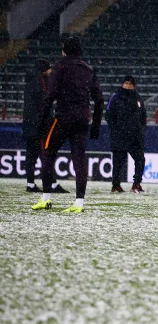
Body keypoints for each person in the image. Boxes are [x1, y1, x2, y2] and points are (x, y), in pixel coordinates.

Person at [32, 36, 103, 213]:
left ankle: (46, 198)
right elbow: (99, 99)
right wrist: (95, 125)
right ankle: (79, 203)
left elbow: (50, 95)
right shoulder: (88, 70)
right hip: (82, 119)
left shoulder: (60, 67)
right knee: (79, 160)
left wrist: (41, 120)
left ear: (64, 51)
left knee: (47, 153)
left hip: (63, 118)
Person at [22, 59, 68, 194]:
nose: (50, 71)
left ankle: (30, 183)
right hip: (39, 126)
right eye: (48, 69)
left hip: (30, 125)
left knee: (31, 156)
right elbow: (44, 104)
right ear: (44, 70)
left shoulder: (30, 83)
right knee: (46, 155)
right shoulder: (40, 83)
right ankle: (52, 184)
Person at [106, 76, 147, 193]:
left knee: (140, 159)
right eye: (126, 83)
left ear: (134, 85)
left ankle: (136, 184)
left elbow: (143, 116)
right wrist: (115, 131)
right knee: (118, 162)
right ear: (122, 84)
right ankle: (116, 185)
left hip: (135, 137)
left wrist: (141, 129)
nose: (128, 85)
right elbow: (109, 116)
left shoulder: (138, 98)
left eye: (130, 83)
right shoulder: (115, 97)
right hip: (120, 136)